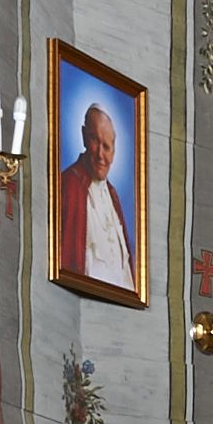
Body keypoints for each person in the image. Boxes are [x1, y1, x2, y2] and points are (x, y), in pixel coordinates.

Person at [57, 97, 136, 290]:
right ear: (84, 136)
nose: (101, 155)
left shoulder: (112, 195)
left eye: (106, 147)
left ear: (114, 152)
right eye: (95, 140)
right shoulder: (69, 184)